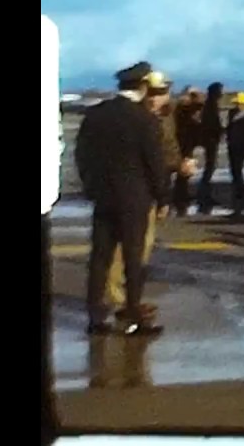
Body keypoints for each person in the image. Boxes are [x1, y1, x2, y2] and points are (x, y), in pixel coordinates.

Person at [75, 61, 169, 336]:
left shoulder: (96, 115)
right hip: (135, 199)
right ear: (142, 87)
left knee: (100, 258)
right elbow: (154, 163)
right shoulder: (144, 119)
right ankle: (133, 316)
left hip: (103, 197)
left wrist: (91, 186)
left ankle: (95, 317)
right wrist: (162, 196)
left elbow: (82, 155)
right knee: (133, 258)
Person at [105, 70, 196, 317]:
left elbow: (168, 147)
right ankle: (118, 299)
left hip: (152, 189)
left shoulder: (165, 116)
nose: (162, 97)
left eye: (165, 91)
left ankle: (130, 298)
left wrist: (178, 165)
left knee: (142, 247)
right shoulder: (140, 118)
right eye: (156, 92)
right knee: (123, 249)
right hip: (135, 190)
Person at [171, 86, 204, 215]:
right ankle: (180, 197)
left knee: (182, 172)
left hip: (184, 142)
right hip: (183, 143)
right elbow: (199, 105)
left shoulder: (180, 108)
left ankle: (179, 196)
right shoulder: (184, 109)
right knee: (182, 172)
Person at [197, 82, 225, 213]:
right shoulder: (210, 105)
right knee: (209, 167)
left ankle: (205, 193)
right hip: (210, 140)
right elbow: (210, 124)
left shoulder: (210, 104)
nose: (222, 93)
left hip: (210, 139)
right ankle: (203, 194)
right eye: (220, 91)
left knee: (210, 167)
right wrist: (219, 131)